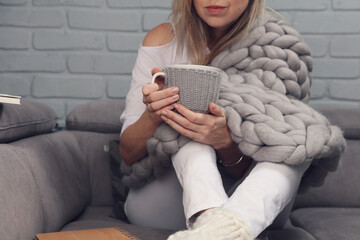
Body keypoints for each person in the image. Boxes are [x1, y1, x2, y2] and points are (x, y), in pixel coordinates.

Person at [119, 0, 311, 239]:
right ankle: (216, 225)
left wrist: (225, 143)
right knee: (187, 123)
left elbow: (257, 161)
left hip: (252, 199)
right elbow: (127, 153)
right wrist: (155, 115)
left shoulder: (277, 49)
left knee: (300, 139)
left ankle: (222, 228)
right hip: (170, 198)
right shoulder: (163, 41)